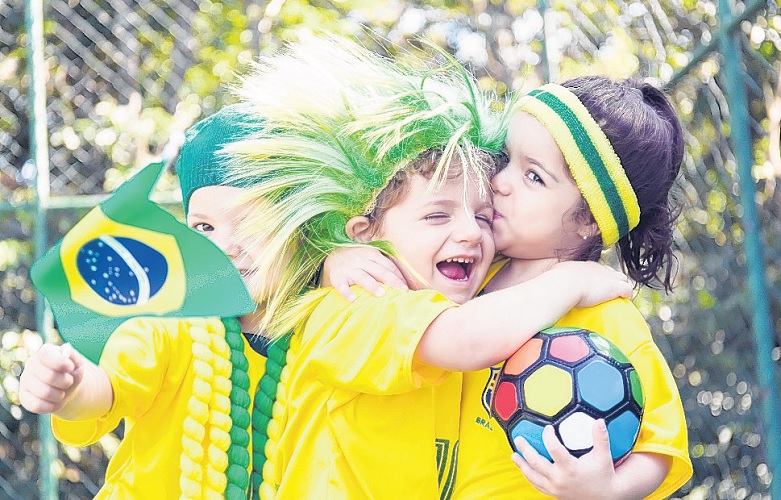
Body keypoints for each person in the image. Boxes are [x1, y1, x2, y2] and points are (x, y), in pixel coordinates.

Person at [225, 36, 632, 499]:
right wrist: (572, 278)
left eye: (482, 217)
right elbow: (465, 338)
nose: (471, 234)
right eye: (437, 215)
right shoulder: (356, 305)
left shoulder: (454, 296)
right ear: (364, 233)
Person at [327, 77, 693, 499]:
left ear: (588, 220)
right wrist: (342, 257)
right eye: (506, 160)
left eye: (533, 176)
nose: (500, 181)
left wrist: (606, 490)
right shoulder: (468, 272)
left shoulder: (605, 310)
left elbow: (660, 445)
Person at [18, 104, 280, 498]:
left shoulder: (327, 324)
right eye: (204, 227)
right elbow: (108, 384)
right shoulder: (170, 323)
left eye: (251, 222)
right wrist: (71, 389)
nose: (225, 246)